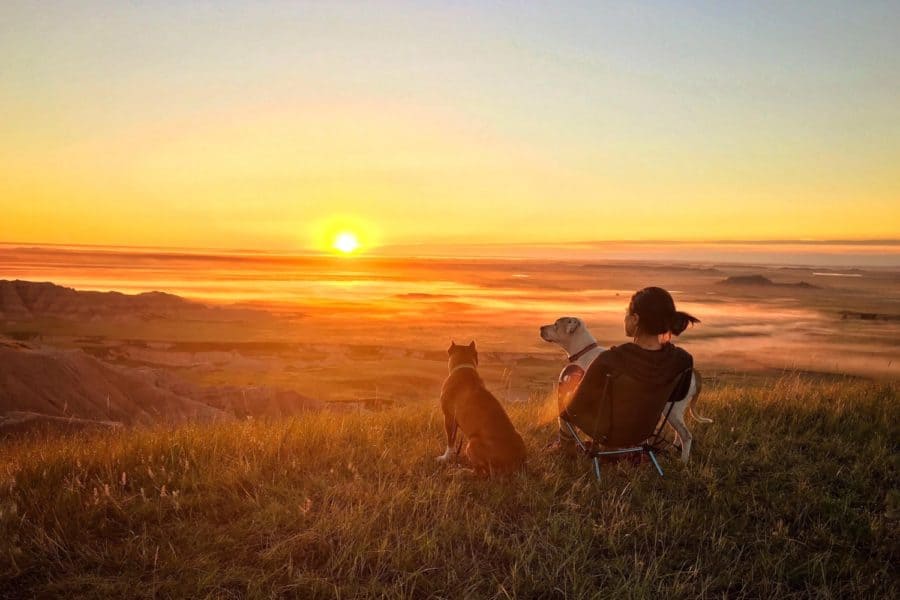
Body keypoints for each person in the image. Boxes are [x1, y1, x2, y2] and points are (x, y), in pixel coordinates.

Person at [548, 286, 699, 454]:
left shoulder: (610, 360)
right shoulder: (682, 359)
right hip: (645, 432)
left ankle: (564, 445)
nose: (625, 318)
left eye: (627, 313)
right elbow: (675, 396)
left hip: (608, 434)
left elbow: (576, 407)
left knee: (568, 375)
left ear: (635, 319)